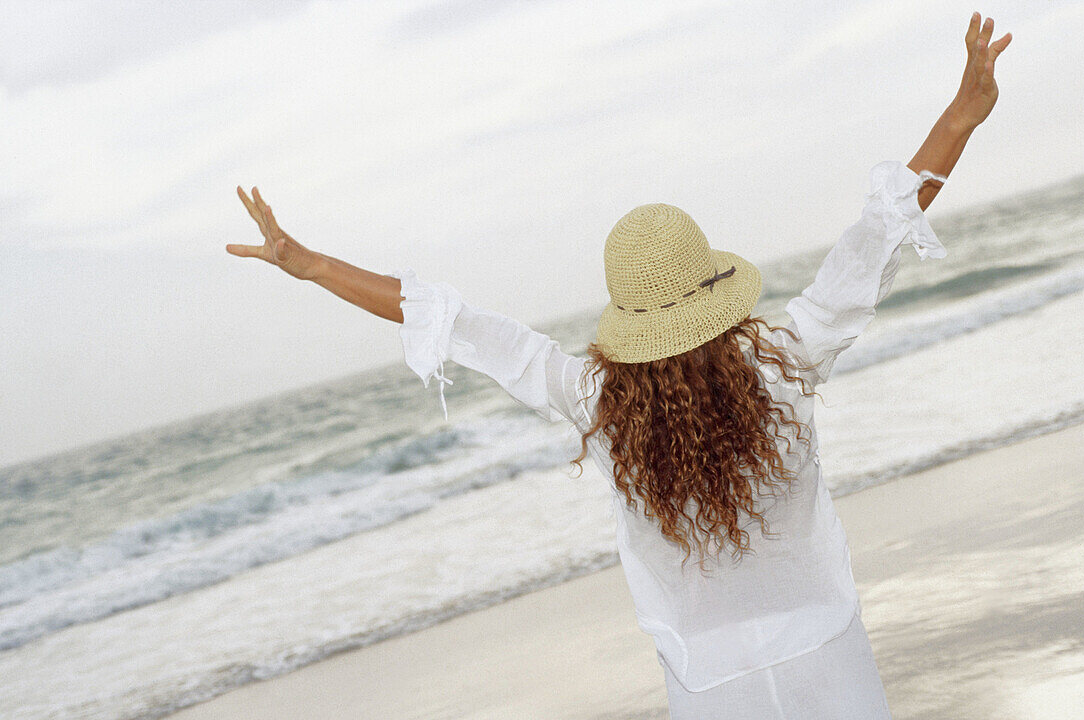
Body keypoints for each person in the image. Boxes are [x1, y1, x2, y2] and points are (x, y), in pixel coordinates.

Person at [227, 12, 1010, 720]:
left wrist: (313, 264)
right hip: (827, 655)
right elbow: (875, 239)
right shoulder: (784, 361)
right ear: (716, 289)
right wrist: (961, 116)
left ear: (627, 318)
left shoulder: (596, 401)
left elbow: (456, 324)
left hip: (709, 686)